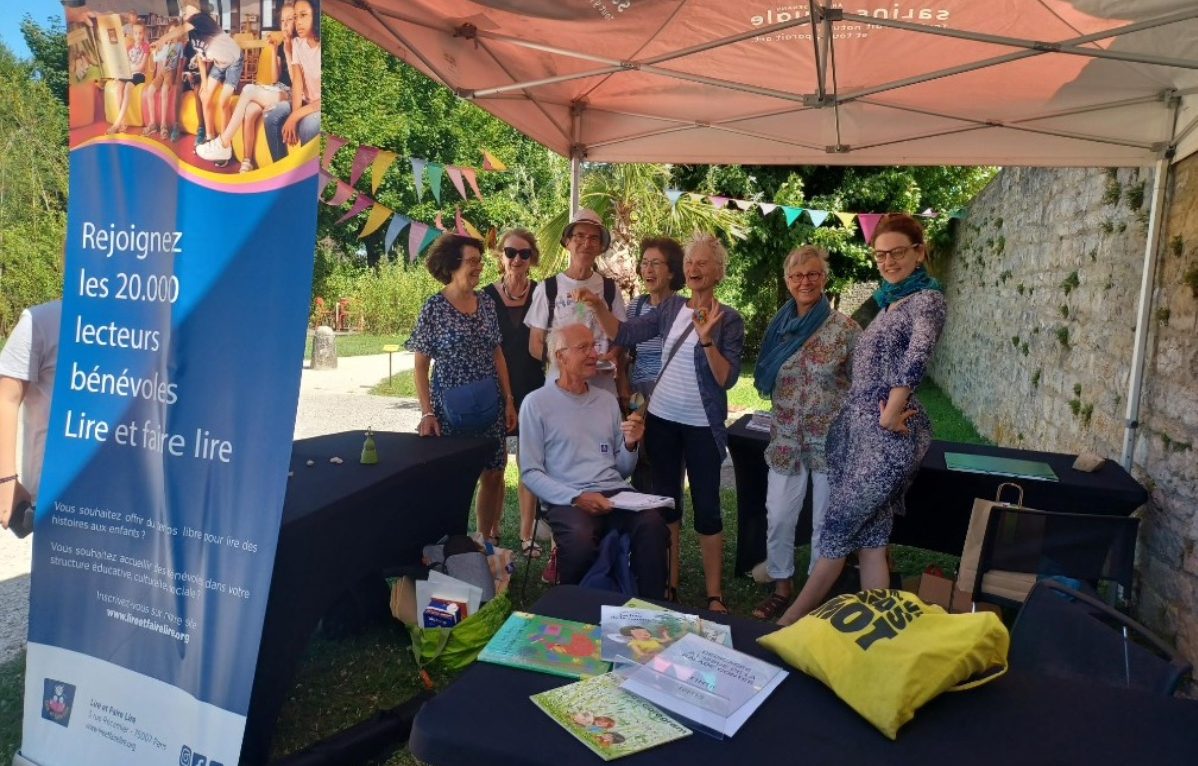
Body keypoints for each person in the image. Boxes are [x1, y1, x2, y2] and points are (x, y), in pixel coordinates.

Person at [777, 214, 947, 625]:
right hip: (861, 430)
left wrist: (891, 408)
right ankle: (879, 628)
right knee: (871, 538)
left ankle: (788, 624)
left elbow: (919, 352)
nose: (888, 261)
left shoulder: (927, 300)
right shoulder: (892, 301)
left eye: (898, 253)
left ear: (919, 252)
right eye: (880, 254)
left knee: (837, 528)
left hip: (887, 432)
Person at [583, 234, 744, 612]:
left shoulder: (729, 319)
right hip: (663, 421)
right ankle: (669, 586)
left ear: (719, 271)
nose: (694, 269)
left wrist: (707, 340)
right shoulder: (670, 309)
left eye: (703, 263)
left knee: (707, 508)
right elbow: (623, 333)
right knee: (667, 503)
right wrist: (596, 305)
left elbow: (727, 379)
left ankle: (714, 595)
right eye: (690, 262)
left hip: (703, 426)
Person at [749, 246, 859, 621]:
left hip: (830, 441)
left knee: (823, 522)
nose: (805, 282)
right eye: (797, 276)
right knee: (779, 515)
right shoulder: (779, 329)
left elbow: (864, 383)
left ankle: (815, 598)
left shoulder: (844, 329)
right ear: (787, 282)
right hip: (785, 439)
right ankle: (782, 588)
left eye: (812, 274)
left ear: (824, 279)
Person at [519, 323, 667, 596]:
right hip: (567, 495)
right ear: (560, 357)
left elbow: (621, 470)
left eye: (594, 346)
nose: (594, 354)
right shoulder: (536, 403)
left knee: (653, 524)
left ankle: (651, 612)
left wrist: (631, 444)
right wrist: (577, 497)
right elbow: (530, 472)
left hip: (614, 493)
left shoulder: (606, 400)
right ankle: (577, 611)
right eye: (583, 347)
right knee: (579, 539)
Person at [407, 234, 517, 546]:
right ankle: (451, 544)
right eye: (472, 261)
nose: (479, 267)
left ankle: (484, 541)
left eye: (480, 261)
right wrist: (427, 412)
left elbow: (497, 353)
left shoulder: (486, 303)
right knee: (454, 481)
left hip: (490, 406)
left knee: (494, 473)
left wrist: (509, 400)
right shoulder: (434, 308)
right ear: (453, 265)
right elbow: (420, 365)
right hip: (450, 412)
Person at [481, 228, 546, 556]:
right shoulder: (485, 297)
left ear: (532, 257)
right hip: (495, 391)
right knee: (493, 469)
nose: (516, 260)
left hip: (533, 388)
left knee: (528, 464)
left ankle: (526, 534)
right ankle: (490, 532)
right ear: (500, 255)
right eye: (510, 252)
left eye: (524, 253)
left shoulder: (542, 294)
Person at [524, 208, 626, 396]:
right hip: (560, 385)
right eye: (579, 236)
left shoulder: (610, 289)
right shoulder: (548, 289)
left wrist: (613, 355)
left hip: (601, 386)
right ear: (567, 242)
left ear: (600, 246)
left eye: (594, 238)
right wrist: (568, 366)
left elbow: (622, 335)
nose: (586, 243)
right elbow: (535, 344)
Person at [196, 1, 296, 171]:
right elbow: (274, 78)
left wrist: (288, 51)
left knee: (248, 89)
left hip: (291, 93)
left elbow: (297, 83)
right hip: (277, 89)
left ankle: (223, 143)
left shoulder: (300, 44)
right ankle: (247, 161)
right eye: (283, 21)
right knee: (250, 110)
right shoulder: (281, 46)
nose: (285, 25)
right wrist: (274, 50)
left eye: (290, 20)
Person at [0, 301, 62, 533]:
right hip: (50, 498)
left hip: (118, 497)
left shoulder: (137, 323)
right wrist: (5, 481)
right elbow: (5, 397)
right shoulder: (41, 321)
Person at [155, 4, 244, 153]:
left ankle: (224, 146)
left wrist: (162, 39)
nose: (183, 14)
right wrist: (204, 81)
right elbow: (200, 58)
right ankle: (210, 138)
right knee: (204, 95)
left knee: (223, 101)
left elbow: (180, 29)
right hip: (218, 64)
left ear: (196, 9)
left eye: (185, 10)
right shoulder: (194, 34)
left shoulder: (202, 19)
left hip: (234, 61)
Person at [617, 237, 685, 408]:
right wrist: (623, 384)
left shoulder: (684, 309)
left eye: (655, 263)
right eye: (645, 263)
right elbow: (621, 351)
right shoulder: (636, 307)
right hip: (638, 394)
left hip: (673, 396)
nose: (648, 269)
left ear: (671, 271)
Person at [262, 0, 321, 163]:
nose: (298, 22)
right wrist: (295, 114)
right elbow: (297, 83)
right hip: (305, 101)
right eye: (296, 16)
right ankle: (281, 170)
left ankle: (305, 178)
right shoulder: (297, 43)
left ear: (316, 15)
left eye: (304, 15)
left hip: (321, 106)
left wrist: (295, 117)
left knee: (307, 126)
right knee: (270, 115)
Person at [143, 18, 184, 140]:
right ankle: (152, 123)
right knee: (150, 90)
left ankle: (163, 124)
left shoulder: (179, 46)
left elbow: (181, 62)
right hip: (161, 73)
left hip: (170, 72)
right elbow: (156, 59)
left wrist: (178, 79)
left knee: (165, 90)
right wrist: (154, 51)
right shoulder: (165, 46)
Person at [107, 21, 150, 135]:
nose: (138, 36)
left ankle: (117, 123)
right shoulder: (129, 46)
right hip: (128, 73)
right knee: (118, 87)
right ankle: (123, 121)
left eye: (140, 33)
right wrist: (120, 73)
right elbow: (124, 63)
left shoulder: (146, 47)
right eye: (135, 33)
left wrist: (129, 68)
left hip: (138, 75)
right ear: (132, 33)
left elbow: (141, 67)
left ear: (144, 33)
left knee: (127, 87)